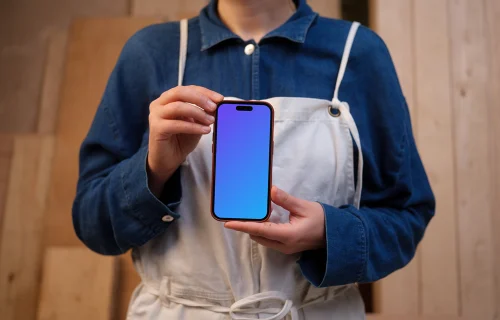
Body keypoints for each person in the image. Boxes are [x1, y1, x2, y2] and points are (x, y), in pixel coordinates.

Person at [72, 0, 435, 319]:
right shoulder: (151, 53)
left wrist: (331, 233)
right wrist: (153, 169)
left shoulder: (359, 53)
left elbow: (407, 217)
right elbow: (92, 225)